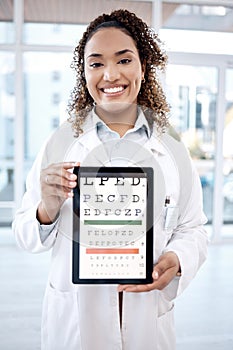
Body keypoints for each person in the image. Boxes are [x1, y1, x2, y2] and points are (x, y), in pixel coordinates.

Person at [12, 9, 208, 350]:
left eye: (124, 59)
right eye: (96, 63)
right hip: (76, 324)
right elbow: (26, 235)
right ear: (84, 73)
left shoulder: (172, 151)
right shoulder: (59, 145)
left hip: (148, 323)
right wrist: (47, 207)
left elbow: (192, 229)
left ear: (143, 68)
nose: (110, 74)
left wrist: (177, 259)